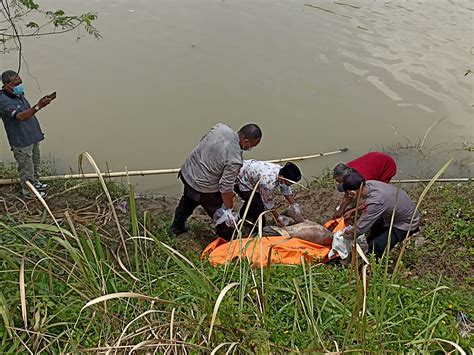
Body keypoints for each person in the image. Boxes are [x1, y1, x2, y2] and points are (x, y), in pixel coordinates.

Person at [169, 123, 262, 239]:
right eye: (252, 145)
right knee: (222, 218)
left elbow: (203, 140)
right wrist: (229, 209)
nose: (250, 148)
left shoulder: (220, 128)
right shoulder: (235, 159)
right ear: (246, 142)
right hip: (203, 187)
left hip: (188, 172)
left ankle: (176, 227)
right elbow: (225, 187)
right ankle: (228, 241)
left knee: (187, 201)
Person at [0, 70, 54, 198]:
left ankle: (36, 183)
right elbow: (20, 116)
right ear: (7, 85)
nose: (20, 86)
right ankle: (28, 192)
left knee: (35, 163)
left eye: (21, 82)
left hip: (31, 135)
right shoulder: (3, 100)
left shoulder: (17, 94)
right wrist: (38, 106)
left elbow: (27, 111)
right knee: (26, 168)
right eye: (17, 84)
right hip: (21, 140)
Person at [341, 173, 420, 258]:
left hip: (406, 223)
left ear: (352, 193)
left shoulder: (377, 200)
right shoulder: (370, 184)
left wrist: (349, 235)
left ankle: (375, 265)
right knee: (372, 233)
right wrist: (354, 211)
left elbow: (361, 227)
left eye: (349, 194)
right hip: (395, 214)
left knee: (375, 246)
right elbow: (368, 203)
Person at [235, 160, 303, 227]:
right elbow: (268, 202)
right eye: (289, 183)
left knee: (254, 201)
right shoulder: (267, 182)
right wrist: (277, 217)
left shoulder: (282, 172)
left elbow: (286, 188)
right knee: (258, 206)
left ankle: (243, 217)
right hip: (239, 177)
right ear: (282, 178)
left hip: (251, 174)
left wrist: (294, 205)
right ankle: (259, 228)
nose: (290, 185)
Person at [332, 151, 397, 219]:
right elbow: (347, 191)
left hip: (387, 166)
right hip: (374, 158)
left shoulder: (365, 180)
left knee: (378, 193)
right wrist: (341, 210)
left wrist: (355, 211)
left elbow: (372, 199)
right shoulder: (346, 170)